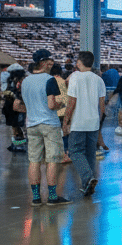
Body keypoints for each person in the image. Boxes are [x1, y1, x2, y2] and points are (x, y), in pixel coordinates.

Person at [20, 50, 71, 206]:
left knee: (34, 161)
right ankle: (52, 197)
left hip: (31, 125)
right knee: (52, 161)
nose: (52, 64)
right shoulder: (50, 80)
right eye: (50, 61)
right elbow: (51, 105)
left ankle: (36, 197)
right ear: (43, 63)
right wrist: (61, 103)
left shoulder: (25, 81)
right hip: (49, 125)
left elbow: (19, 105)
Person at [65, 51, 106, 197]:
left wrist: (66, 121)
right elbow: (102, 106)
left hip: (78, 122)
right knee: (90, 154)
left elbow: (71, 102)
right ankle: (87, 185)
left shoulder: (75, 77)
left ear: (78, 63)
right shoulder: (99, 80)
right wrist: (99, 123)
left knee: (75, 151)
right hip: (93, 122)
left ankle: (88, 178)